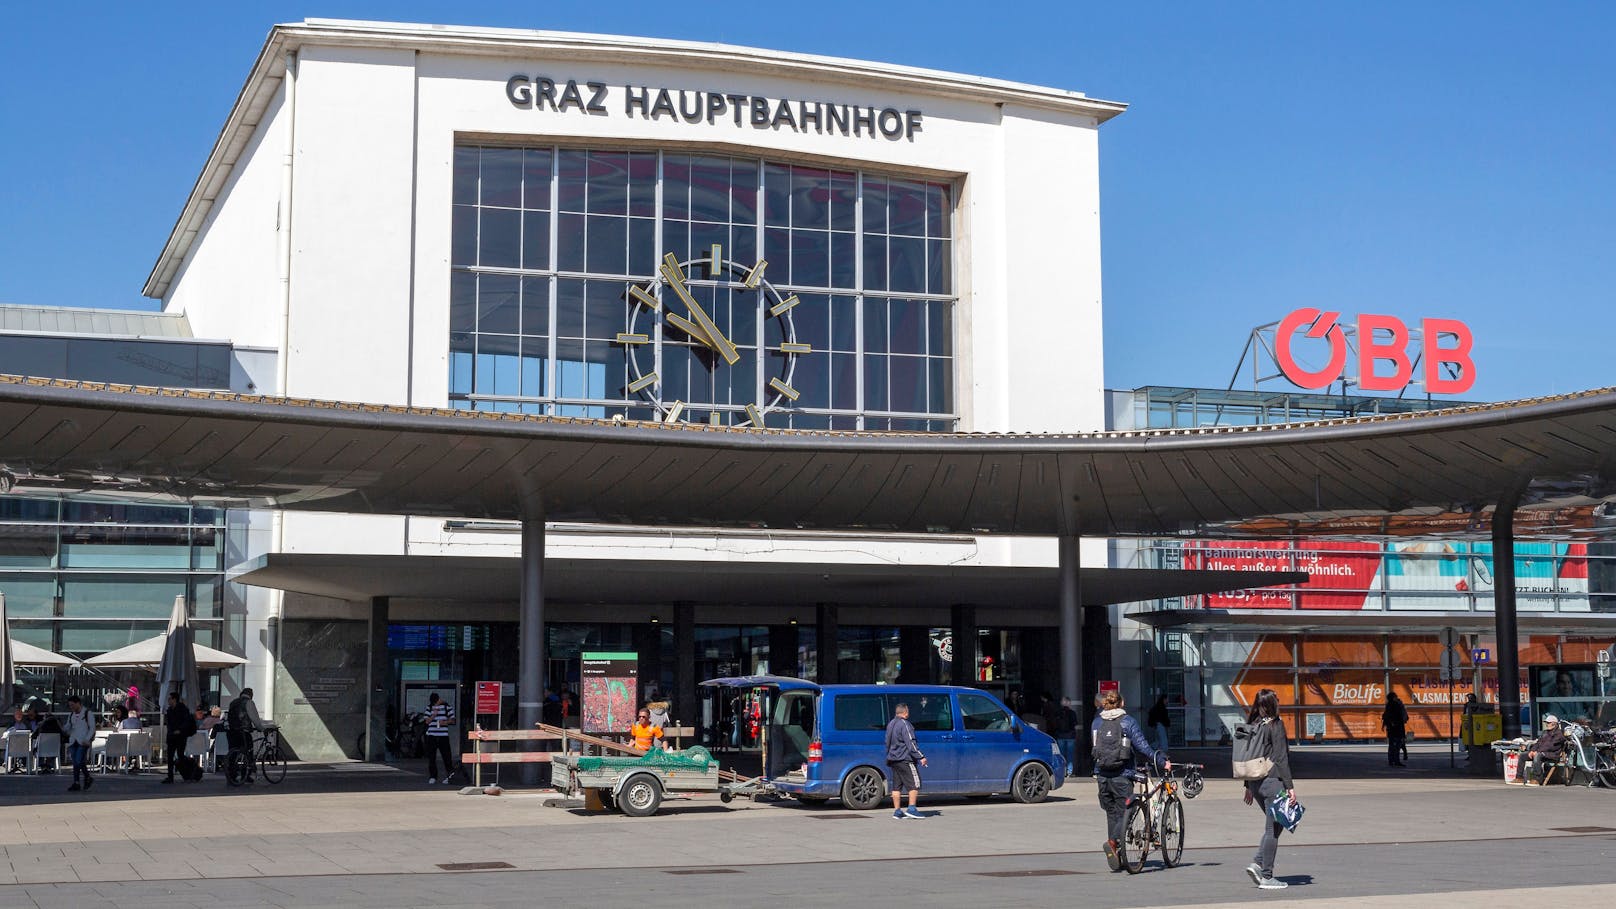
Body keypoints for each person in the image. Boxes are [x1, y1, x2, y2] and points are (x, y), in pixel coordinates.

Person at [1091, 689, 1168, 871]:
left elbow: (1095, 748)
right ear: (1122, 703)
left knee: (1112, 813)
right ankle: (1112, 842)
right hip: (1122, 774)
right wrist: (1161, 761)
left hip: (1101, 775)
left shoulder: (1096, 722)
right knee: (1130, 810)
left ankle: (1116, 852)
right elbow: (1143, 747)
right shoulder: (1127, 722)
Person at [1241, 688, 1296, 891]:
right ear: (1273, 704)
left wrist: (1247, 785)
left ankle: (1257, 862)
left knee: (1279, 823)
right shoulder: (1276, 725)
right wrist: (1290, 787)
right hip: (1273, 782)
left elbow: (1247, 756)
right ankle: (1266, 875)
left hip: (1256, 784)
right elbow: (1281, 758)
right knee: (1272, 829)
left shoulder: (1253, 725)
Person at [885, 702, 928, 820]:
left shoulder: (891, 724)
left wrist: (889, 755)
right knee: (915, 783)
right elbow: (911, 743)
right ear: (905, 712)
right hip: (905, 759)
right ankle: (912, 809)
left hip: (893, 759)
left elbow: (887, 742)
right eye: (908, 711)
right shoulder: (905, 724)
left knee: (896, 786)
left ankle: (897, 811)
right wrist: (921, 757)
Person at [423, 692, 459, 785]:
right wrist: (433, 715)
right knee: (432, 758)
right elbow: (427, 721)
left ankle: (449, 776)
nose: (439, 701)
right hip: (431, 736)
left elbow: (453, 720)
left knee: (447, 757)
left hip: (443, 736)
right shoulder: (429, 708)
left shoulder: (447, 707)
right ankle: (433, 776)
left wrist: (445, 722)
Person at [162, 691, 195, 784]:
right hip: (171, 736)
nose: (168, 701)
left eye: (169, 699)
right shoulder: (169, 710)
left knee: (180, 755)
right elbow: (169, 724)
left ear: (174, 699)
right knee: (170, 756)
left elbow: (186, 721)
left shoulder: (183, 709)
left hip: (180, 736)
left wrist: (180, 730)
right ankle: (170, 776)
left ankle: (188, 772)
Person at [63, 696, 95, 792]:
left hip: (82, 741)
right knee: (77, 762)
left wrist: (87, 739)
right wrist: (62, 728)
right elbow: (68, 726)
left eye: (72, 705)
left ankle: (83, 779)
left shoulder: (87, 713)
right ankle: (79, 781)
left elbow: (92, 727)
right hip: (73, 740)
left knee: (78, 760)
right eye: (70, 705)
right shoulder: (71, 714)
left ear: (78, 703)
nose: (71, 707)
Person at [1527, 714, 1567, 784]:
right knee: (1523, 755)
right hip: (1543, 753)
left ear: (1554, 723)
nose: (1546, 724)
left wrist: (1537, 751)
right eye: (1546, 723)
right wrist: (1532, 751)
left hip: (1553, 754)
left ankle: (1537, 779)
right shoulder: (1545, 732)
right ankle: (1519, 778)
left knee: (1538, 755)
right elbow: (1538, 743)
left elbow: (1551, 746)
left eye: (1548, 723)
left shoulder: (1559, 734)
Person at [226, 688, 262, 764]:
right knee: (248, 752)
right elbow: (255, 718)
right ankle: (246, 772)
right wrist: (261, 728)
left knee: (233, 753)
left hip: (231, 731)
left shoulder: (233, 702)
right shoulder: (249, 702)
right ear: (251, 695)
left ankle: (231, 772)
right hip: (243, 731)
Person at [1381, 692, 1409, 767]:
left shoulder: (1388, 706)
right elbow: (1400, 716)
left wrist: (1384, 725)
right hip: (1397, 727)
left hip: (1390, 728)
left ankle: (1391, 760)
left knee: (1391, 745)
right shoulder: (1396, 705)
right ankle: (1396, 760)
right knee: (1397, 744)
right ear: (1394, 697)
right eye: (1396, 696)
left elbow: (1385, 716)